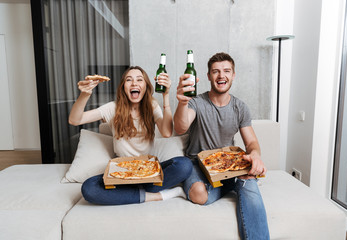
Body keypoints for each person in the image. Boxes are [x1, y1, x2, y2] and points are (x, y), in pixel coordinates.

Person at [174, 52, 270, 239]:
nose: (221, 75)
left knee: (248, 179)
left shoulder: (240, 108)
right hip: (197, 164)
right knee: (199, 195)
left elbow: (251, 143)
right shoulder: (196, 102)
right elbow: (180, 127)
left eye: (226, 71)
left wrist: (255, 155)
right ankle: (231, 185)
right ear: (209, 76)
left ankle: (235, 182)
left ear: (233, 75)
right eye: (215, 71)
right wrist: (182, 102)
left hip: (228, 164)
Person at [69, 66, 192, 205]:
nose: (134, 83)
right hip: (122, 173)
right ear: (123, 86)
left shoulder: (151, 105)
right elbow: (75, 120)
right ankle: (155, 196)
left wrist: (165, 95)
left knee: (185, 164)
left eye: (139, 80)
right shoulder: (112, 108)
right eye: (129, 80)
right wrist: (85, 95)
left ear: (145, 86)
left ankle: (136, 192)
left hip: (149, 172)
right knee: (89, 188)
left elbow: (167, 132)